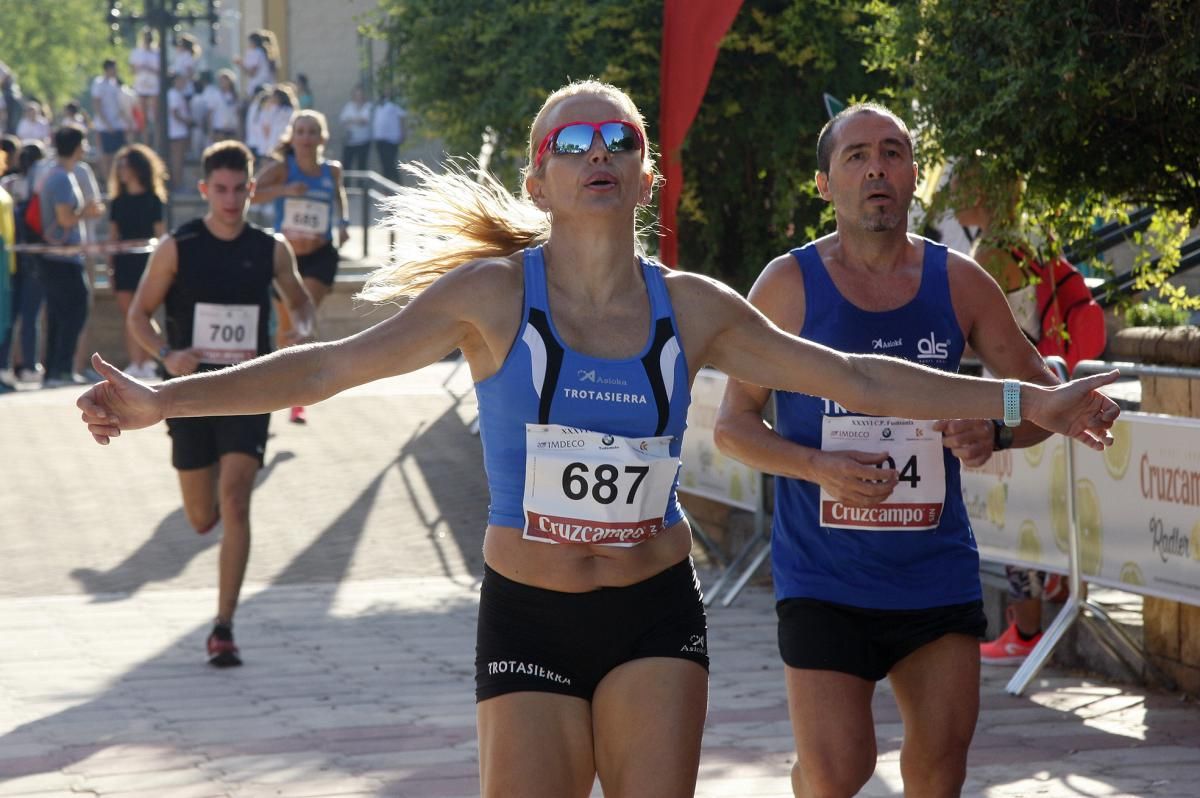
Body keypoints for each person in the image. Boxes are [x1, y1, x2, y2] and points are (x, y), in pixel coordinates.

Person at [78, 81, 1119, 796]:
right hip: (528, 611)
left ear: (646, 175)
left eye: (618, 139)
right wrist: (159, 403)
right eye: (572, 144)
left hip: (653, 611)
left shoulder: (696, 307)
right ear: (537, 181)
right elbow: (326, 368)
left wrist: (1038, 403)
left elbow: (852, 376)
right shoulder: (491, 298)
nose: (599, 154)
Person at [713, 102, 1093, 798]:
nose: (876, 169)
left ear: (914, 175)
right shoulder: (788, 287)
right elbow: (732, 426)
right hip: (823, 580)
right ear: (824, 184)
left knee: (941, 765)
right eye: (856, 156)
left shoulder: (959, 283)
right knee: (838, 772)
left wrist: (999, 430)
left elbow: (1044, 402)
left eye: (892, 153)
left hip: (933, 572)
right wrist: (816, 466)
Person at [110, 140, 314, 666]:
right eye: (219, 190)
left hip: (251, 389)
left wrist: (300, 334)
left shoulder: (271, 247)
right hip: (189, 395)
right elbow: (138, 315)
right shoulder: (177, 247)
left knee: (238, 498)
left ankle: (223, 626)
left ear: (252, 189)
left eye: (239, 189)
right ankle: (208, 520)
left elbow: (302, 304)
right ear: (203, 190)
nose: (230, 200)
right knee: (202, 514)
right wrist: (167, 353)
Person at [250, 109, 349, 423]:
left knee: (303, 315)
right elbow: (249, 195)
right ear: (291, 137)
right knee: (286, 327)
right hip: (286, 258)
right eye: (300, 132)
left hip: (320, 254)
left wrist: (343, 222)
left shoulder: (332, 171)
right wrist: (284, 191)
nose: (306, 138)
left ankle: (299, 397)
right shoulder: (282, 169)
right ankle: (288, 382)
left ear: (322, 138)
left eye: (312, 132)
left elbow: (339, 196)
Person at [36, 124, 104, 387]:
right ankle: (61, 369)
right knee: (73, 312)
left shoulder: (55, 174)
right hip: (62, 258)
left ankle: (55, 370)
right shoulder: (62, 178)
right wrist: (85, 212)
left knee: (58, 314)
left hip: (59, 257)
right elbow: (65, 218)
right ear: (76, 146)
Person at [107, 143, 167, 378]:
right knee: (129, 316)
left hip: (148, 263)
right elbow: (113, 238)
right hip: (123, 265)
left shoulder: (154, 199)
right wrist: (111, 269)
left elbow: (161, 236)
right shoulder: (118, 202)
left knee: (144, 314)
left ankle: (150, 361)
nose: (121, 170)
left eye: (126, 165)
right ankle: (136, 363)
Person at [0, 141, 46, 384]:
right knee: (28, 315)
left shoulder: (8, 185)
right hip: (28, 258)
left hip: (11, 261)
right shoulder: (39, 183)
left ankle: (7, 364)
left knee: (10, 316)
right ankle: (26, 365)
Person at [90, 59, 129, 180]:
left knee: (118, 155)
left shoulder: (115, 84)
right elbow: (97, 104)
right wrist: (107, 124)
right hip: (104, 127)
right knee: (106, 156)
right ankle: (107, 181)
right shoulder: (99, 83)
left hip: (117, 125)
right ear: (108, 69)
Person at [129, 28, 161, 147]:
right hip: (141, 86)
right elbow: (132, 70)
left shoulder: (157, 52)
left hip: (154, 87)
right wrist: (140, 68)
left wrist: (150, 69)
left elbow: (161, 71)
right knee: (144, 118)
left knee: (156, 117)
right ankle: (146, 143)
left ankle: (158, 144)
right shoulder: (137, 52)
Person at [371, 93, 406, 184]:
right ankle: (387, 190)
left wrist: (402, 133)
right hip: (380, 139)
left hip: (391, 139)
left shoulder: (395, 102)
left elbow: (401, 117)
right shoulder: (379, 103)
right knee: (384, 165)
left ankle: (399, 187)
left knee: (391, 164)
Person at [165, 72, 191, 191]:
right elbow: (175, 113)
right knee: (177, 160)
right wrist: (187, 121)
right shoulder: (173, 94)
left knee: (178, 160)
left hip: (178, 131)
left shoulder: (176, 94)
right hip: (177, 132)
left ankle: (177, 183)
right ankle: (177, 184)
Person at [338, 86, 371, 172]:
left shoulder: (368, 106)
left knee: (362, 166)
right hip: (349, 141)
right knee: (346, 165)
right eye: (356, 94)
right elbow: (343, 120)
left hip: (363, 141)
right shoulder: (349, 106)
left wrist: (351, 120)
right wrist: (357, 120)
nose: (358, 97)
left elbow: (364, 121)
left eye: (360, 94)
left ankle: (361, 185)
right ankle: (345, 185)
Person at [235, 30, 277, 96]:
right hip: (268, 87)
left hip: (258, 88)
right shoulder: (265, 53)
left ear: (253, 42)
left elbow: (252, 73)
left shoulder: (256, 52)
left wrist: (240, 63)